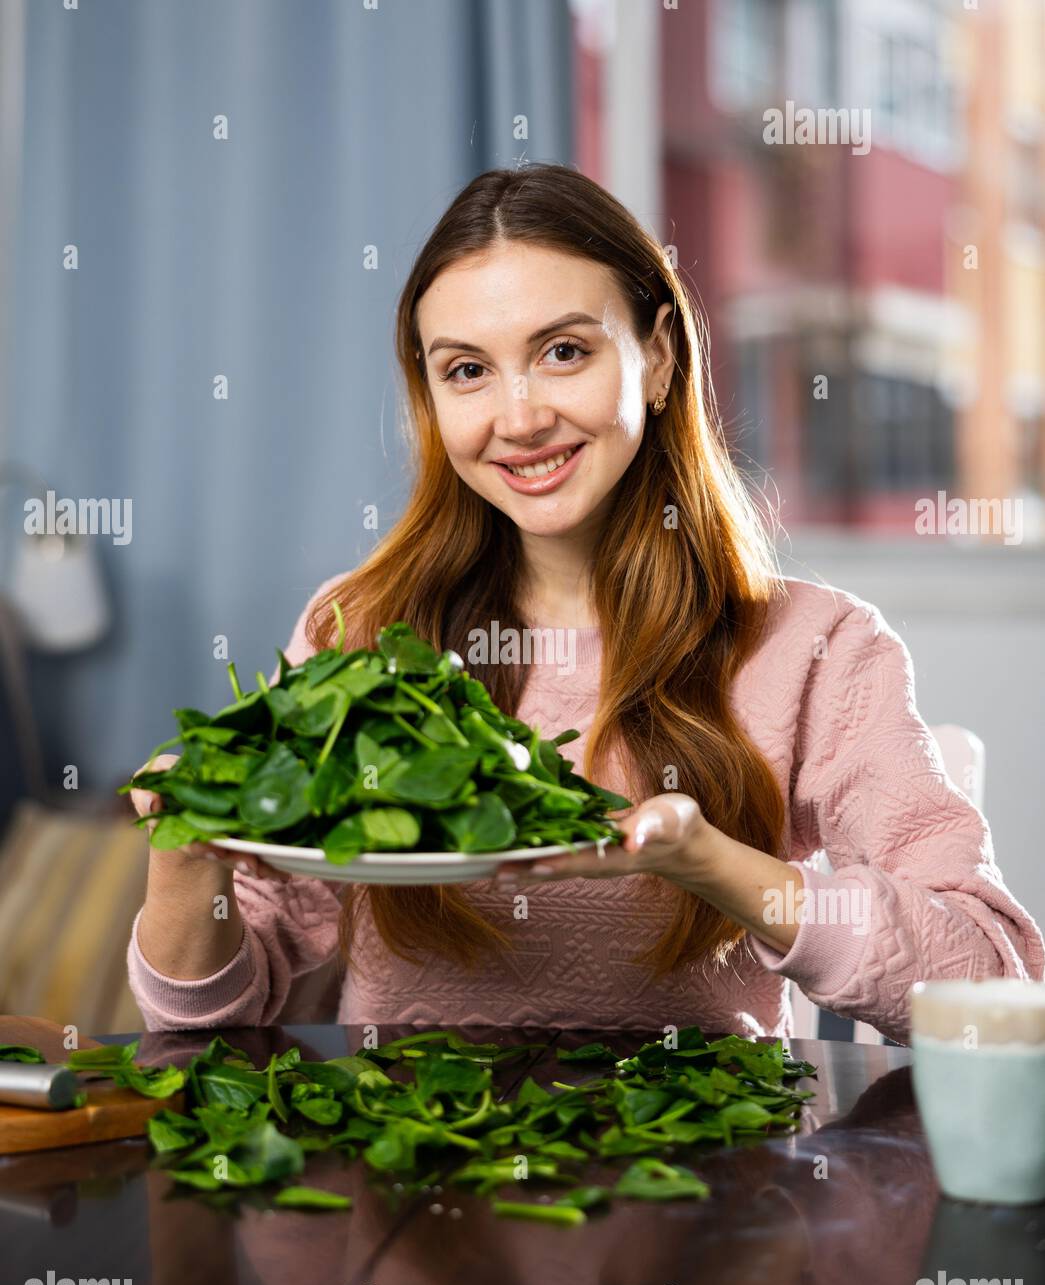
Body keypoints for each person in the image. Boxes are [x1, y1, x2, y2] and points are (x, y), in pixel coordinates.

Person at [127, 162, 1042, 1043]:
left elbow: (993, 985)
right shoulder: (357, 632)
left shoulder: (814, 649)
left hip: (714, 1174)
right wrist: (185, 855)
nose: (518, 417)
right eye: (467, 370)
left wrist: (709, 863)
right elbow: (208, 1021)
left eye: (562, 352)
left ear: (656, 356)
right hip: (415, 1172)